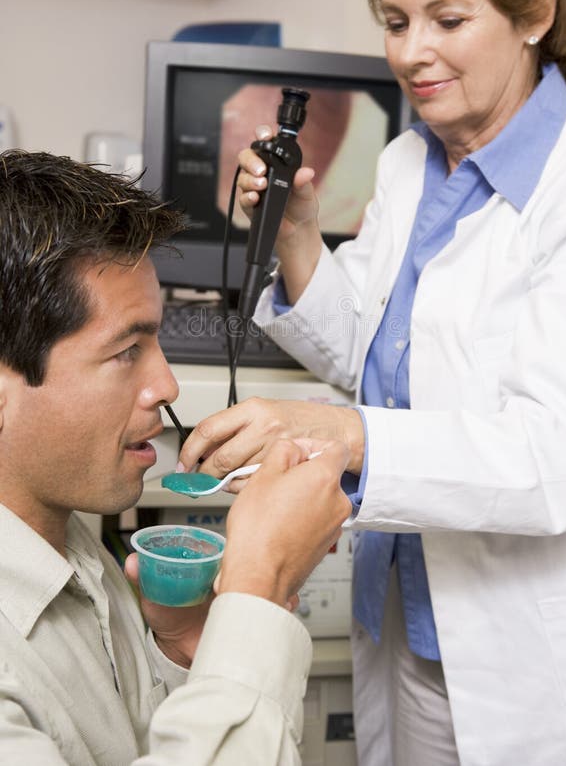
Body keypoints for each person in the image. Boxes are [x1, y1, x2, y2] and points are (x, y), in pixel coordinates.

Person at [174, 0, 566, 764]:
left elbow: (559, 457)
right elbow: (368, 354)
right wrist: (297, 230)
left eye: (448, 20)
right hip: (399, 610)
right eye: (397, 22)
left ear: (536, 14)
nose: (413, 54)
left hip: (513, 650)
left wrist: (344, 434)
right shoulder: (412, 163)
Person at [0, 149, 352, 765]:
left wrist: (186, 653)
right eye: (126, 351)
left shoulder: (72, 543)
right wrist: (259, 587)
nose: (166, 386)